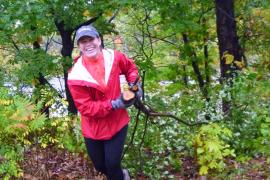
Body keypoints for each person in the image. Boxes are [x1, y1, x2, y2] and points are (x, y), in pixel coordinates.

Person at [67, 25, 142, 180]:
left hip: (117, 123)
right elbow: (86, 108)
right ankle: (122, 176)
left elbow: (130, 68)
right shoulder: (75, 75)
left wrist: (135, 85)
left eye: (91, 39)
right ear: (78, 46)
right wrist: (115, 104)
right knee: (100, 166)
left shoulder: (114, 57)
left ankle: (120, 176)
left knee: (112, 163)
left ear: (99, 40)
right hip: (93, 128)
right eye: (83, 41)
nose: (88, 44)